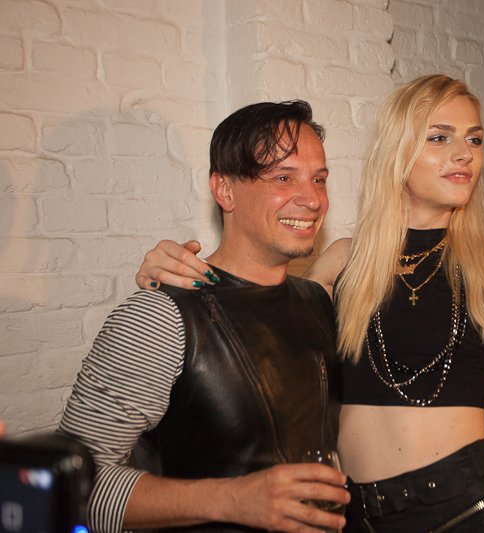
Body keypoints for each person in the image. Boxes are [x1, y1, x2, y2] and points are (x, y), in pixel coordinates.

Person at [135, 75, 484, 532]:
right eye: (439, 137)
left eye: (475, 139)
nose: (465, 153)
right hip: (355, 518)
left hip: (468, 509)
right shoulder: (343, 261)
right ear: (396, 151)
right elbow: (258, 328)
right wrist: (171, 272)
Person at [59, 101, 350, 533]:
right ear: (224, 190)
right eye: (283, 177)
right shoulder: (159, 317)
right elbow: (70, 487)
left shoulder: (318, 302)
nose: (312, 199)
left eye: (319, 179)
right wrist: (232, 500)